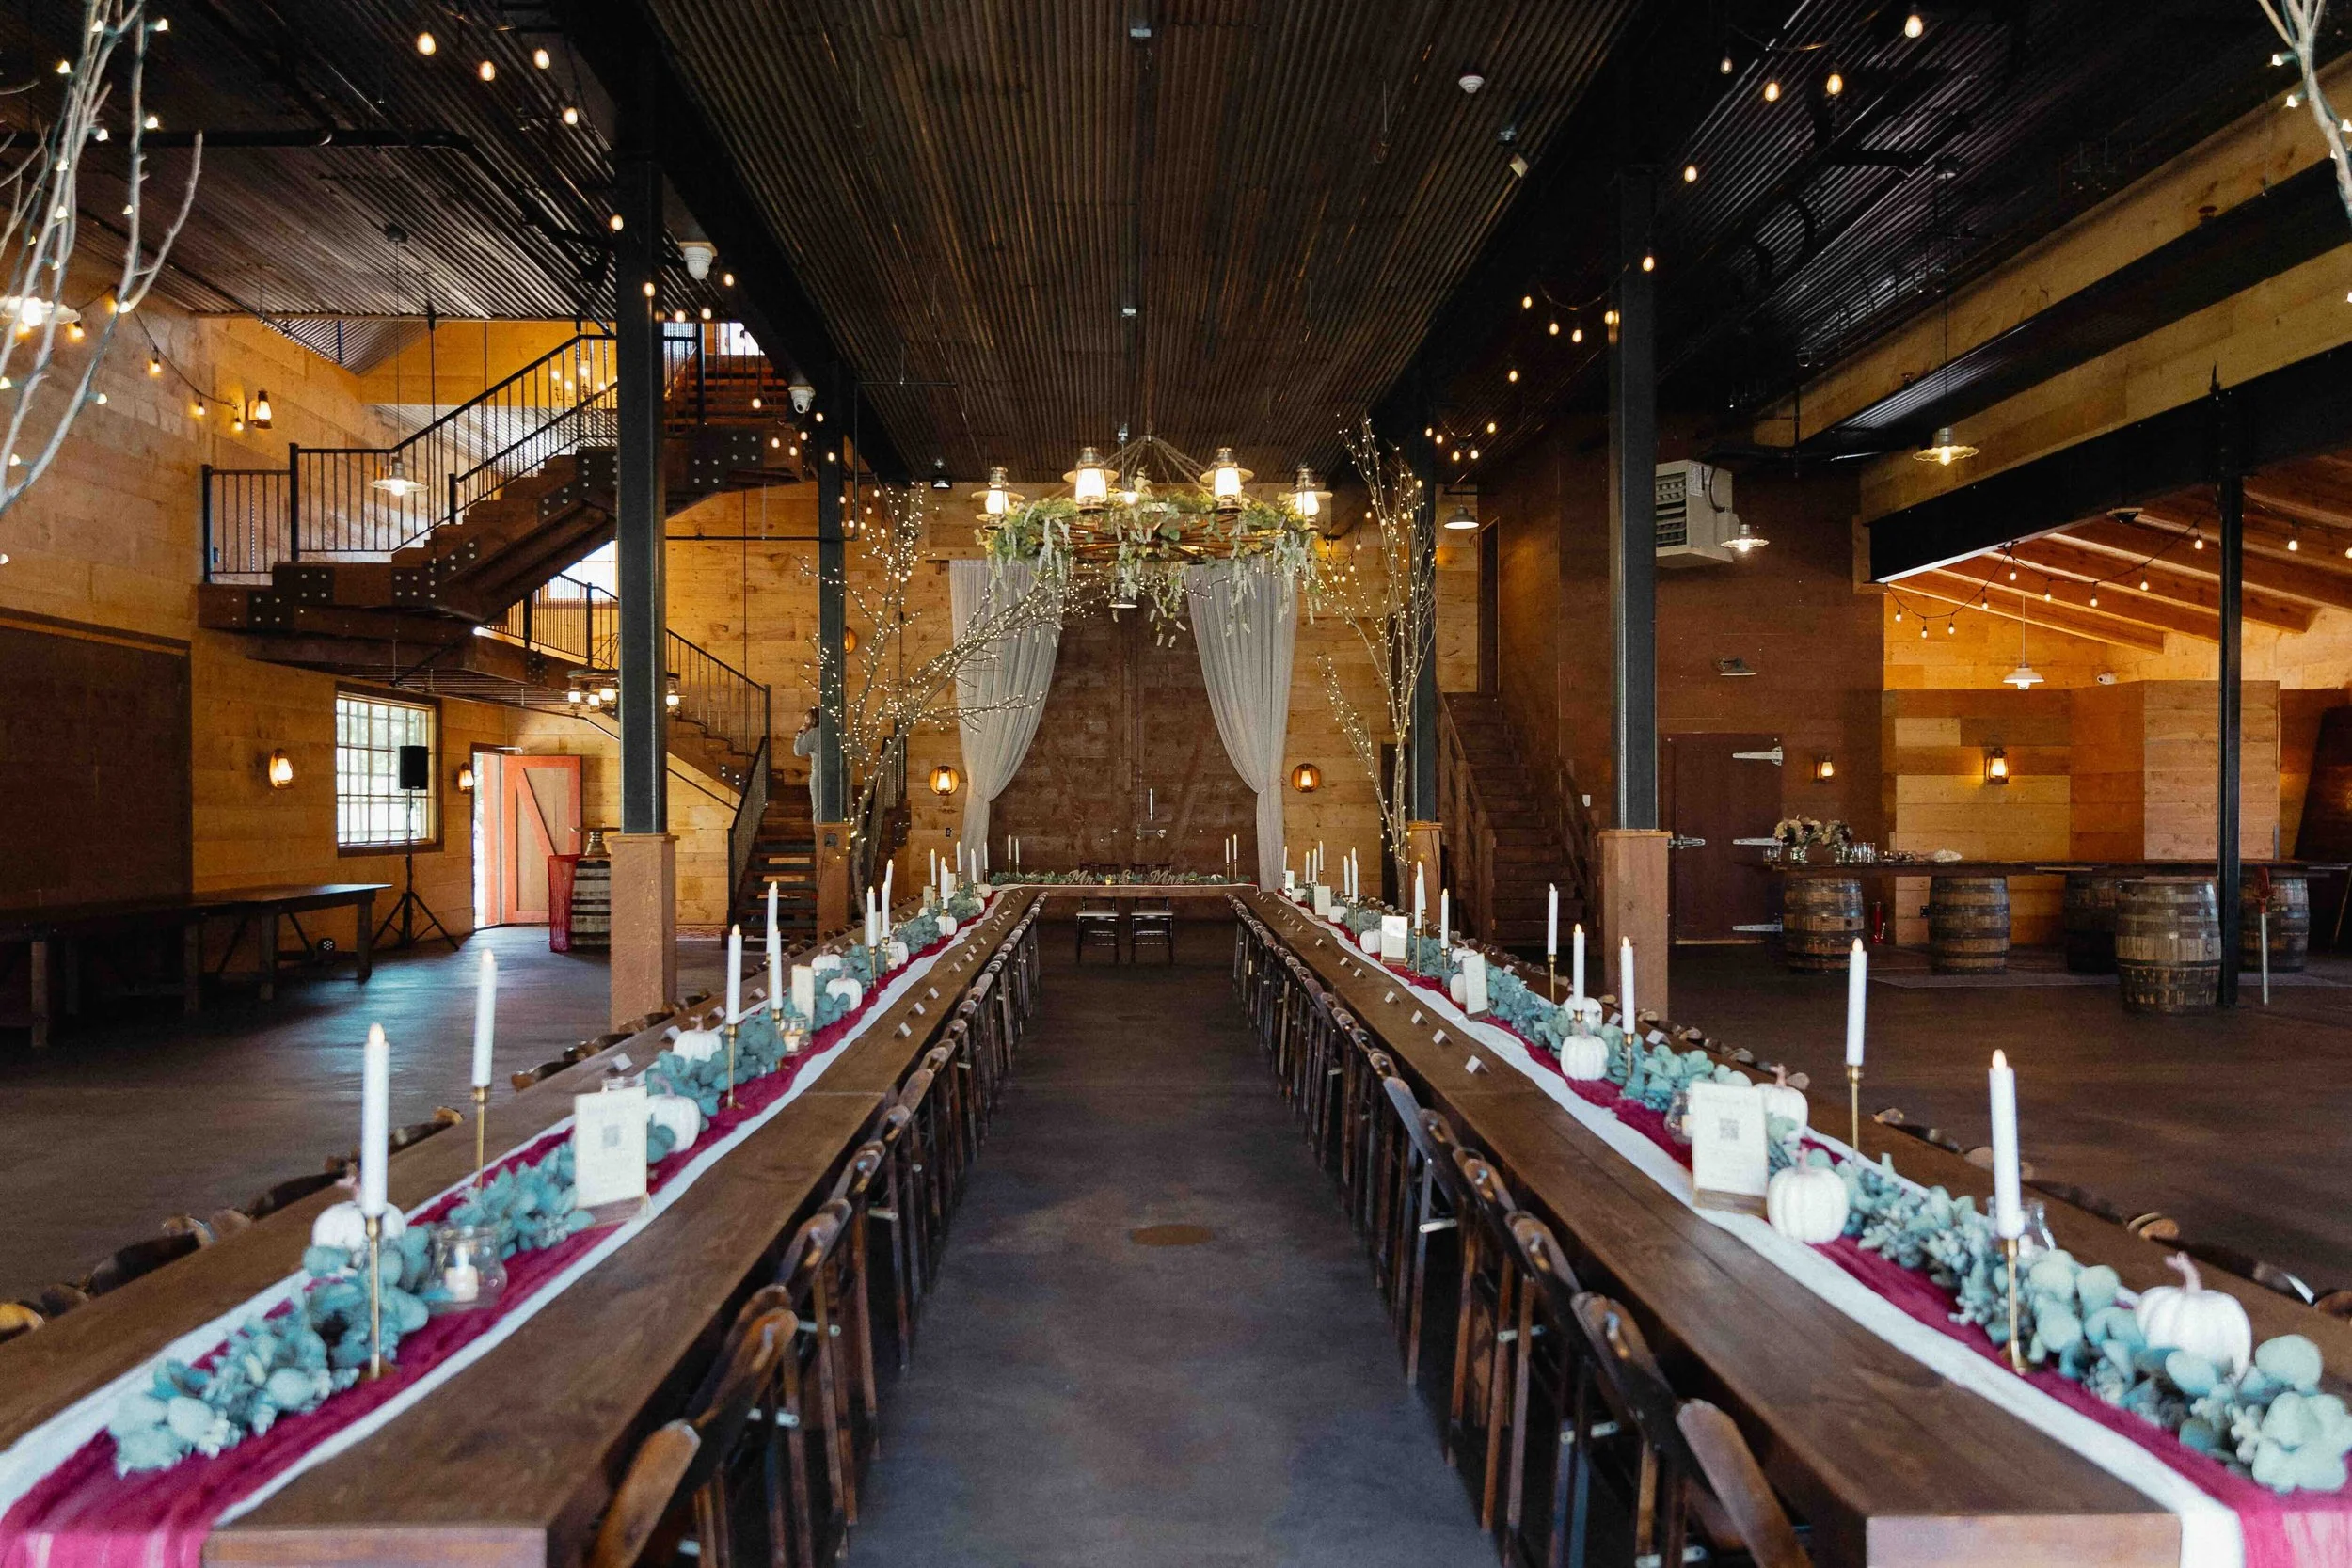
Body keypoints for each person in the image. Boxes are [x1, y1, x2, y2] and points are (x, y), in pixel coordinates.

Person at [791, 706, 821, 817]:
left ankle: (819, 829)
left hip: (818, 774)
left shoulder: (813, 733)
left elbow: (798, 751)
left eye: (807, 720)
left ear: (814, 720)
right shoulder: (833, 732)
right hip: (836, 773)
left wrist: (800, 734)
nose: (805, 723)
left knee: (818, 808)